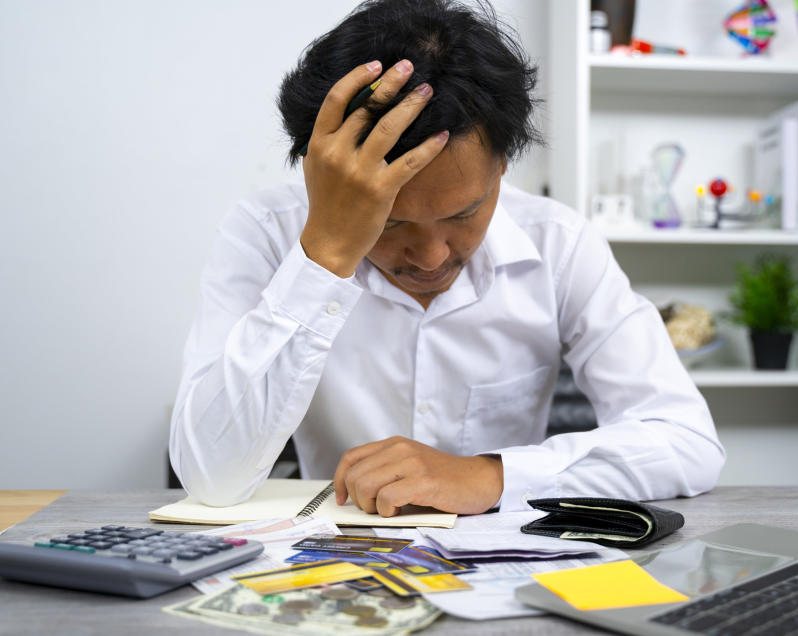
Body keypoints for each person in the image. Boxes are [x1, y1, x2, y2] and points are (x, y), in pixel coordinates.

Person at [169, 0, 724, 516]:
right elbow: (211, 479)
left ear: (504, 166)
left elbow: (686, 441)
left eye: (464, 214)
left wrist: (492, 477)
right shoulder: (266, 234)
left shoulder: (558, 242)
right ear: (320, 174)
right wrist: (327, 255)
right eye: (389, 222)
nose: (432, 256)